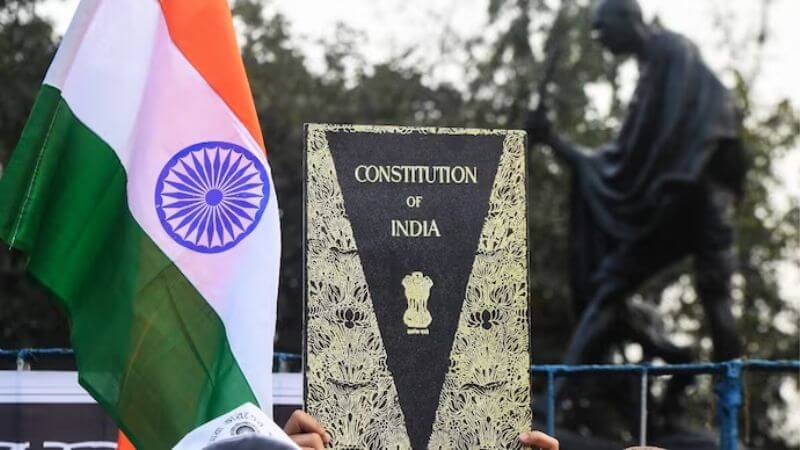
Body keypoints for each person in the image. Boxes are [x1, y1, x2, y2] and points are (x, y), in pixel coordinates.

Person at [527, 0, 746, 401]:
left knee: (714, 293)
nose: (598, 37)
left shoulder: (673, 52)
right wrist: (553, 140)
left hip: (697, 198)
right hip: (666, 204)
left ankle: (735, 409)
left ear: (628, 19)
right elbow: (621, 161)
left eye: (602, 27)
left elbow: (705, 118)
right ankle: (561, 396)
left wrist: (678, 178)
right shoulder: (651, 72)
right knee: (611, 286)